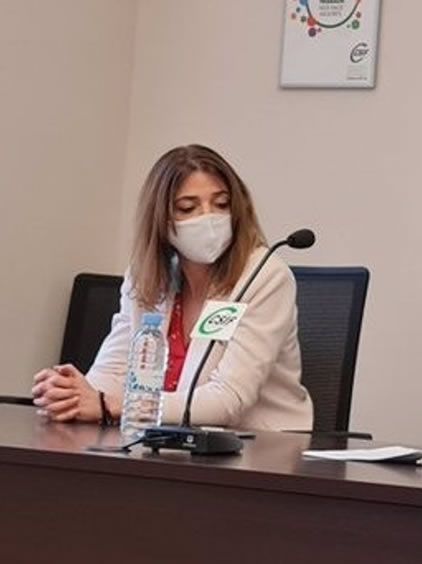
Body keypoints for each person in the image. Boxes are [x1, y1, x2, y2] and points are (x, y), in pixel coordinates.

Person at [31, 145, 313, 431]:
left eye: (222, 204)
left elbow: (227, 401)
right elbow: (114, 370)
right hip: (166, 440)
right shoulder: (146, 275)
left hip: (260, 445)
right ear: (160, 219)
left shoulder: (265, 277)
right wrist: (71, 396)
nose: (209, 218)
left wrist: (113, 404)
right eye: (188, 208)